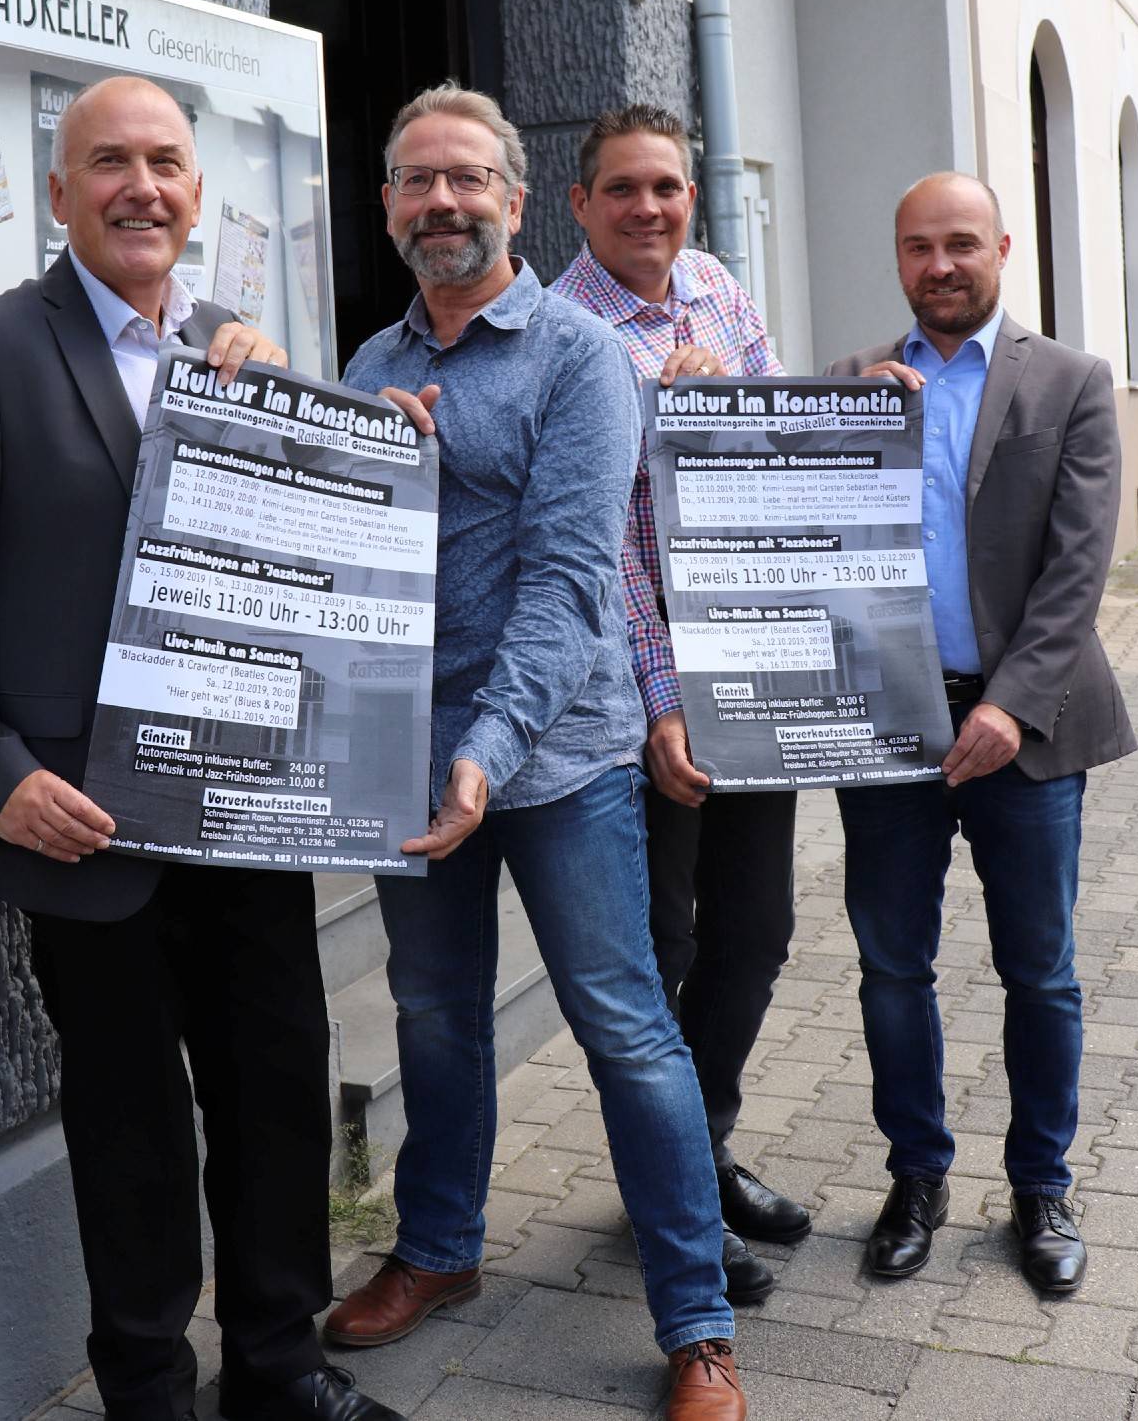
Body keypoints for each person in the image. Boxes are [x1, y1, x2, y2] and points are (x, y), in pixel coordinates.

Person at [0, 74, 404, 1421]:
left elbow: (316, 588)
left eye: (166, 161)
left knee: (280, 1101)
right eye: (110, 162)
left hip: (251, 817)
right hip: (86, 830)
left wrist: (308, 433)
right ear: (59, 194)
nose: (141, 187)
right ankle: (150, 1392)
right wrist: (1, 784)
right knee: (132, 1134)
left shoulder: (243, 348)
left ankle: (278, 1370)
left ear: (198, 193)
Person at [324, 83, 747, 1421]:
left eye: (467, 181)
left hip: (560, 758)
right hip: (405, 757)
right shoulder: (366, 371)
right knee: (436, 1019)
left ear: (515, 200)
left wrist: (486, 755)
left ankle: (697, 1325)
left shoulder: (579, 358)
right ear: (386, 204)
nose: (440, 203)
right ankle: (439, 1249)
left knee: (623, 1027)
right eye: (414, 181)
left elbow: (572, 589)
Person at [825, 171, 1134, 1297]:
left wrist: (1008, 700)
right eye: (918, 246)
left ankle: (1040, 1186)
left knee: (1039, 971)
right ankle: (916, 1178)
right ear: (898, 256)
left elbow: (1075, 568)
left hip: (1026, 725)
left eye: (961, 242)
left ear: (1001, 246)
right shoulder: (857, 384)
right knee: (891, 966)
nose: (940, 264)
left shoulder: (1070, 380)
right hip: (891, 728)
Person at [553, 104, 811, 1304]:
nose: (647, 207)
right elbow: (596, 540)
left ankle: (699, 1146)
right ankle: (676, 1196)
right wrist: (663, 698)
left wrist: (742, 409)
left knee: (755, 932)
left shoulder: (720, 288)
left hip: (755, 671)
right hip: (634, 698)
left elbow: (774, 463)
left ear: (691, 198)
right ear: (580, 205)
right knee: (665, 947)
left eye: (665, 186)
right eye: (622, 189)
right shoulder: (560, 332)